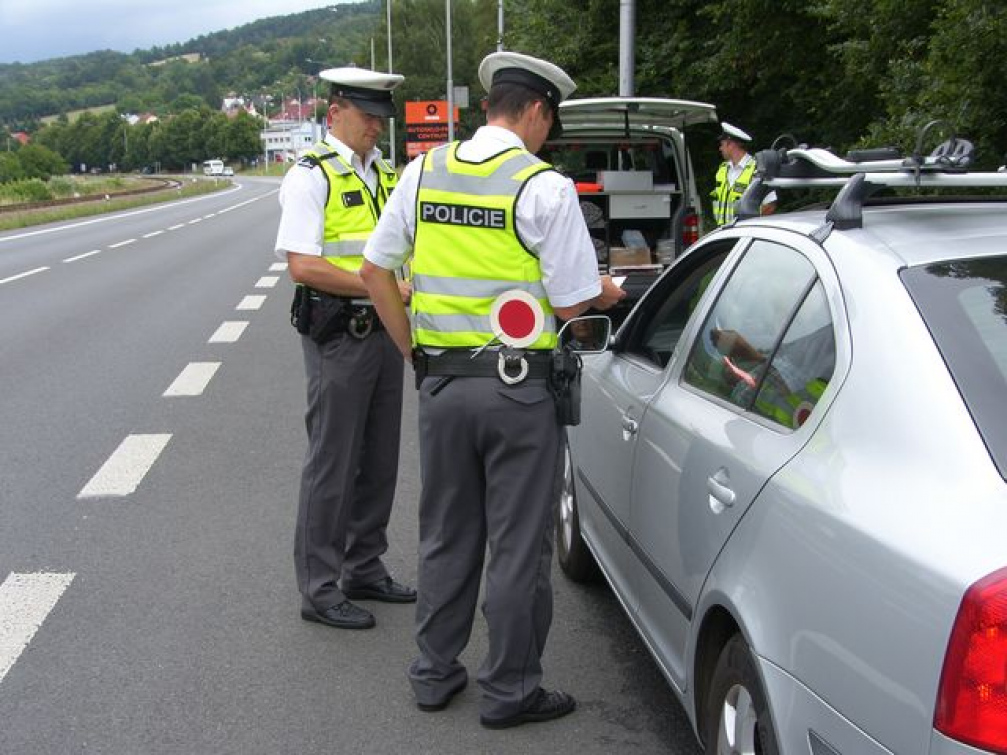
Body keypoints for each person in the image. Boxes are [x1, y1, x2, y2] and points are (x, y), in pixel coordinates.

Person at [360, 51, 625, 728]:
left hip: (442, 385)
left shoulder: (422, 171)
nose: (546, 137)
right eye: (548, 123)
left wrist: (414, 350)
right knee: (515, 544)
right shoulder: (543, 187)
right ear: (534, 111)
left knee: (446, 535)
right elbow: (571, 305)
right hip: (517, 394)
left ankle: (433, 672)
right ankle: (509, 690)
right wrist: (612, 290)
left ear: (488, 108)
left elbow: (373, 271)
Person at [275, 66, 416, 631]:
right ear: (334, 114)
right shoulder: (312, 176)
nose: (377, 129)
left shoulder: (382, 174)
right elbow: (302, 266)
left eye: (382, 119)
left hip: (385, 330)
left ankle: (365, 566)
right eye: (368, 118)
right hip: (341, 336)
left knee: (380, 460)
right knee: (332, 463)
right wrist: (379, 285)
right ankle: (318, 586)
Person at [710, 121, 777, 225]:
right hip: (723, 232)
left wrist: (751, 226)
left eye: (722, 145)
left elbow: (770, 206)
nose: (720, 148)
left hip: (745, 233)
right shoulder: (723, 169)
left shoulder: (758, 169)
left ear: (730, 144)